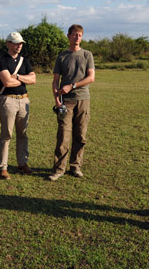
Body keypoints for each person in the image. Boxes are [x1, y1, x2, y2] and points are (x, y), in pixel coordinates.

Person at [49, 24, 96, 181]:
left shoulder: (87, 55)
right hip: (66, 102)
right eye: (74, 34)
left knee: (80, 135)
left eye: (80, 35)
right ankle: (59, 169)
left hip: (83, 99)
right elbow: (55, 81)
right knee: (63, 135)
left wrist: (72, 85)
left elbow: (91, 78)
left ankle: (76, 166)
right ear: (68, 36)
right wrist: (57, 100)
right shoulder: (62, 57)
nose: (77, 38)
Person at [0, 32, 36, 180]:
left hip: (24, 100)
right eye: (16, 43)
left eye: (21, 43)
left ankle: (22, 162)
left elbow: (34, 79)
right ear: (8, 43)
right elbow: (7, 82)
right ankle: (2, 167)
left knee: (22, 134)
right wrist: (25, 79)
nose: (19, 46)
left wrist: (18, 77)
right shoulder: (2, 60)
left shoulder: (24, 61)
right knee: (6, 134)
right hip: (9, 100)